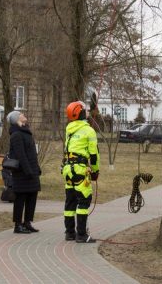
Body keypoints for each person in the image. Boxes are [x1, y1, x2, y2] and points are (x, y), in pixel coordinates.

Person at [62, 101, 100, 243]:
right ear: (81, 113)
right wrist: (95, 171)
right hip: (79, 169)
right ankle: (82, 234)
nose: (87, 112)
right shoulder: (89, 131)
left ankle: (70, 233)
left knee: (70, 201)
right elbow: (94, 154)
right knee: (84, 201)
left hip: (68, 169)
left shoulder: (69, 129)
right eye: (85, 110)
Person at [7, 110, 41, 234]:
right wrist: (28, 171)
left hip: (32, 171)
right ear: (17, 119)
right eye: (20, 114)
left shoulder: (26, 132)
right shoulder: (16, 134)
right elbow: (20, 155)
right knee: (20, 199)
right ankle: (18, 225)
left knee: (32, 197)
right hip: (22, 173)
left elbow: (32, 154)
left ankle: (27, 222)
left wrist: (36, 168)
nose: (23, 114)